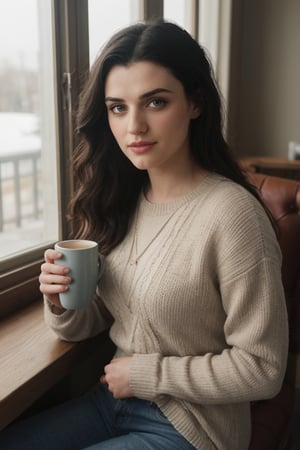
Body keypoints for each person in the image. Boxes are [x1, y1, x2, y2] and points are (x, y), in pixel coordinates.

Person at [0, 19, 288, 450]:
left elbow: (264, 368)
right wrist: (61, 301)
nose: (133, 126)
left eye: (155, 102)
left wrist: (146, 374)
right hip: (112, 403)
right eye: (118, 107)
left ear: (195, 103)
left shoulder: (234, 216)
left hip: (194, 428)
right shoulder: (122, 200)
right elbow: (100, 321)